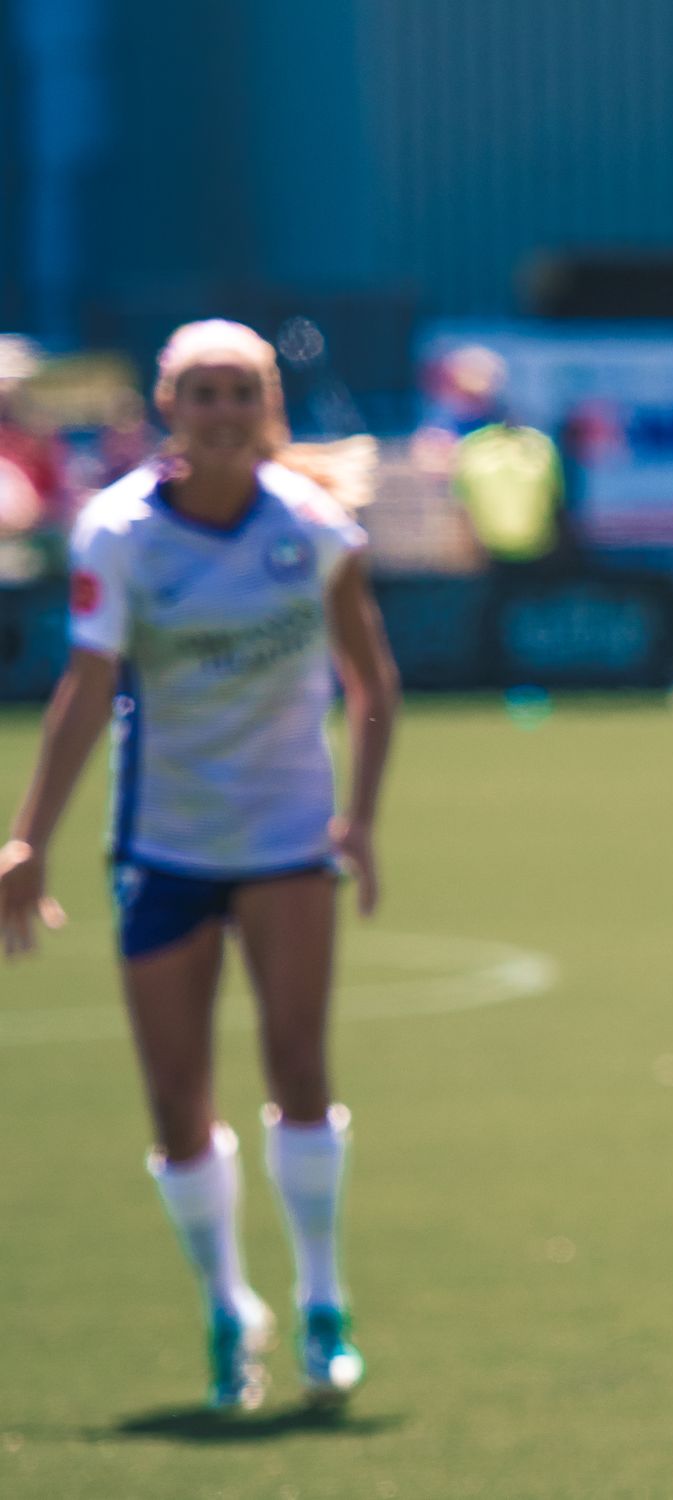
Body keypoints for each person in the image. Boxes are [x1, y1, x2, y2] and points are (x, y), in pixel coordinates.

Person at [0, 319, 400, 1412]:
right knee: (176, 1098)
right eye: (202, 393)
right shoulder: (118, 533)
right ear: (168, 410)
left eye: (241, 392)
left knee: (299, 1071)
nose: (222, 411)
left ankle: (323, 1299)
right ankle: (231, 1308)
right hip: (165, 845)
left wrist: (356, 821)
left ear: (267, 408)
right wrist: (30, 834)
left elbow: (373, 687)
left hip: (284, 839)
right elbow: (87, 688)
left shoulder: (314, 529)